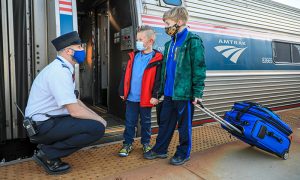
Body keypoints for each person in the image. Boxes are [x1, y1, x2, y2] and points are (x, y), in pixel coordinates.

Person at [25, 31, 107, 175]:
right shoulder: (59, 72)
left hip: (47, 121)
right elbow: (75, 111)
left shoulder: (63, 68)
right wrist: (99, 120)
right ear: (69, 51)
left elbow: (75, 101)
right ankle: (47, 154)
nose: (83, 50)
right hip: (42, 126)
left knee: (94, 122)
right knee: (97, 128)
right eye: (80, 47)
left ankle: (48, 150)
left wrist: (96, 115)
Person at [144, 7, 206, 165]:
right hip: (169, 93)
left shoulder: (193, 41)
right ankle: (160, 149)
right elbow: (165, 69)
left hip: (184, 93)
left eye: (168, 23)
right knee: (165, 122)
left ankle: (183, 152)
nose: (166, 27)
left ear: (179, 22)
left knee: (184, 126)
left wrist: (197, 92)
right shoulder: (169, 44)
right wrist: (159, 92)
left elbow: (199, 68)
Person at [118, 25, 163, 157]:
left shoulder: (157, 58)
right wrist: (122, 90)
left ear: (150, 41)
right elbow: (126, 75)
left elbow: (159, 80)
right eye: (137, 39)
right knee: (130, 122)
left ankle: (146, 143)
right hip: (131, 98)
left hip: (146, 98)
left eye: (141, 39)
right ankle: (127, 144)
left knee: (146, 123)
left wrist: (156, 95)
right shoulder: (134, 56)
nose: (137, 42)